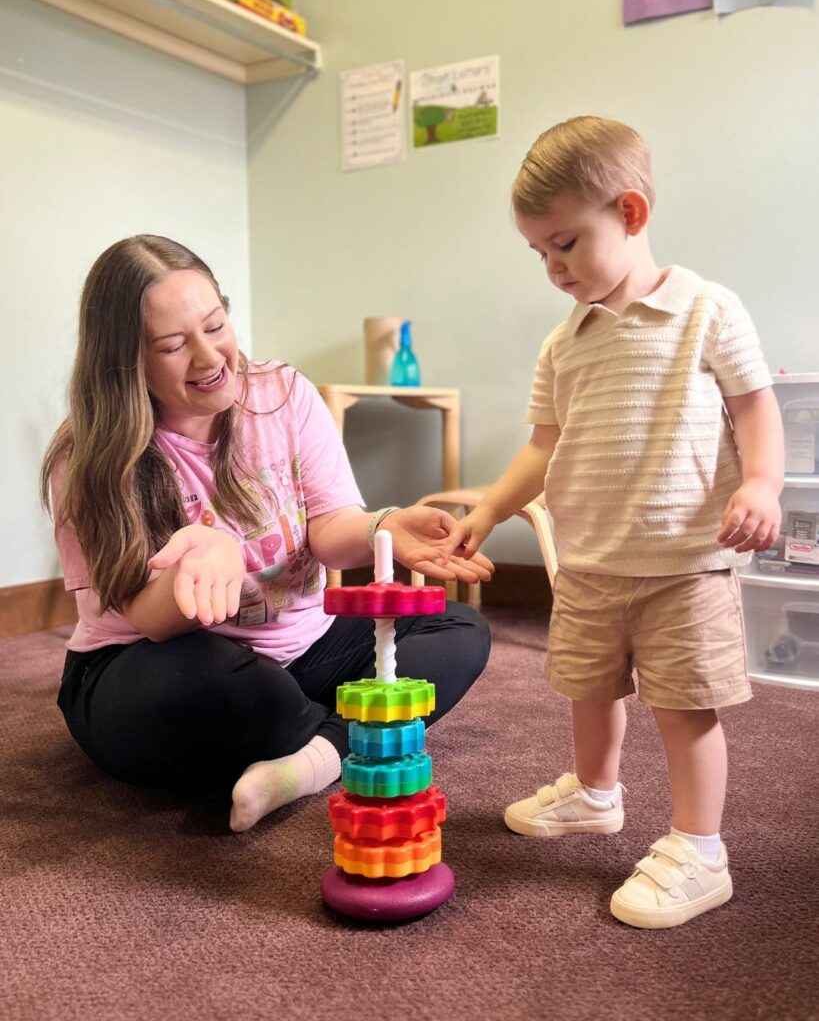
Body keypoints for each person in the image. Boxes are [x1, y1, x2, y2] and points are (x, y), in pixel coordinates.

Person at [444, 117, 784, 928]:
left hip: (682, 563)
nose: (554, 269)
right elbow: (542, 447)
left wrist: (764, 483)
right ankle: (596, 795)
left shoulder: (706, 309)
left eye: (565, 244)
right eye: (539, 254)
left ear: (629, 213)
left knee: (682, 704)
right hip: (590, 560)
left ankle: (700, 849)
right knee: (587, 689)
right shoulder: (564, 343)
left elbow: (754, 407)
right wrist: (489, 508)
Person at [41, 235, 492, 834]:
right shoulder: (90, 454)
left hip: (302, 647)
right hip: (153, 659)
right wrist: (205, 559)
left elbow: (330, 529)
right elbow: (146, 618)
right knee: (253, 699)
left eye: (216, 325)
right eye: (174, 346)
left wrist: (385, 525)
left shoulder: (284, 396)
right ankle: (330, 732)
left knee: (459, 629)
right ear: (126, 363)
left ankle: (315, 755)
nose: (209, 358)